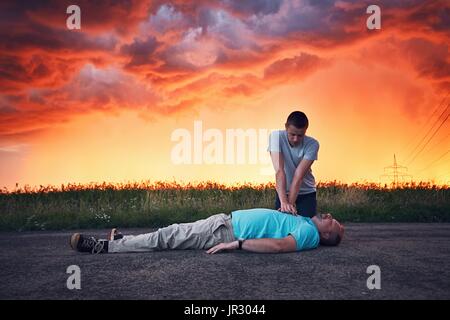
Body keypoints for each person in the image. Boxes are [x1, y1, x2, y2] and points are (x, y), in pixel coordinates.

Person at [70, 208, 344, 254]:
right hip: (224, 223)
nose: (330, 216)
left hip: (226, 232)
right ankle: (124, 241)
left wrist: (236, 244)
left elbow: (279, 246)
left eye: (334, 223)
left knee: (167, 237)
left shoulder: (309, 235)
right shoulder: (306, 223)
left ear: (327, 236)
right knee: (169, 233)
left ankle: (104, 247)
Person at [268, 111, 320, 217]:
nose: (295, 139)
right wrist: (284, 203)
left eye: (300, 135)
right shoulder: (276, 137)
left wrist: (290, 204)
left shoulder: (313, 144)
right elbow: (279, 170)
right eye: (292, 134)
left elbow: (298, 175)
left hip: (306, 191)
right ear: (286, 127)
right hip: (283, 190)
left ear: (306, 131)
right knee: (281, 226)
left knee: (308, 226)